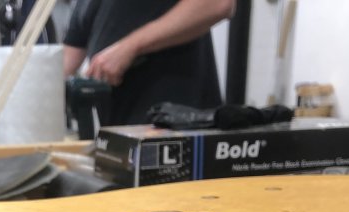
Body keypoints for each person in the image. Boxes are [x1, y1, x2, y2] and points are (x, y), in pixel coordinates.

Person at [63, 0, 235, 126]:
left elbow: (218, 4)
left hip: (176, 127)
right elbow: (66, 59)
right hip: (119, 132)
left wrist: (130, 47)